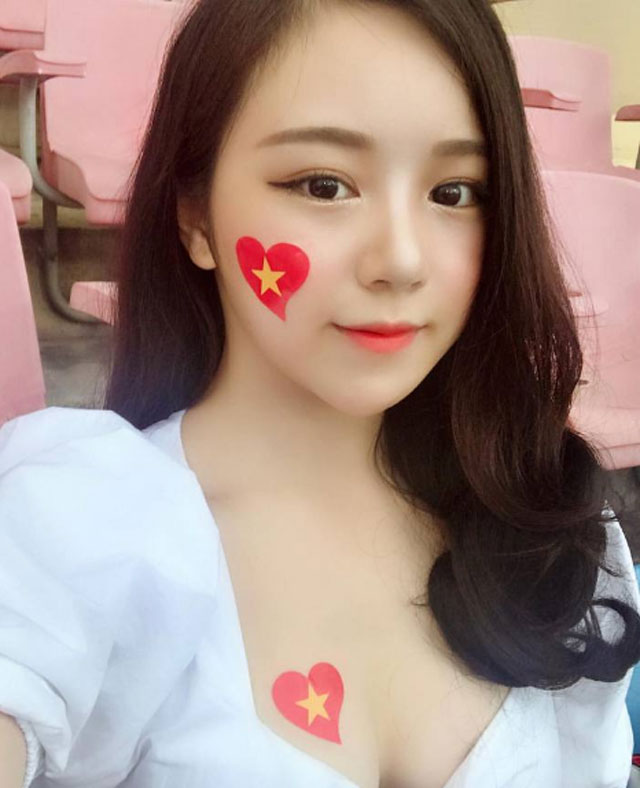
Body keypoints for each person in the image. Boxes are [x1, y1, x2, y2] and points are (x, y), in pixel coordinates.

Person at [1, 0, 639, 786]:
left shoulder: (550, 526)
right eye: (324, 184)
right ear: (195, 216)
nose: (401, 261)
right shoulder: (77, 527)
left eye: (454, 193)